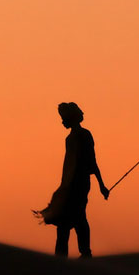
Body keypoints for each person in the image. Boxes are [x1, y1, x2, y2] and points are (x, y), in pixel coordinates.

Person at [35, 102, 109, 258]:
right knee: (67, 221)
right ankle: (70, 255)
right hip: (69, 185)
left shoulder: (83, 135)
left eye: (63, 118)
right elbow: (69, 166)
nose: (62, 121)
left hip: (79, 184)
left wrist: (102, 185)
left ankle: (82, 253)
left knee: (76, 217)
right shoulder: (70, 138)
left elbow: (92, 162)